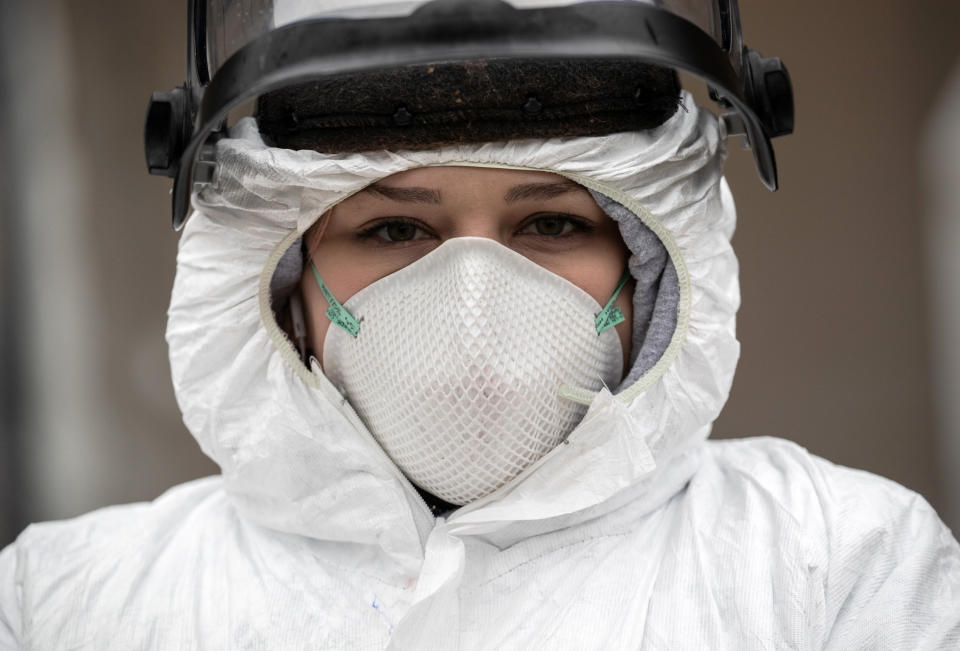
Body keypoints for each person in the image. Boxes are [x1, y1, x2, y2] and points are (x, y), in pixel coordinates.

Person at [3, 0, 960, 648]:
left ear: (652, 271)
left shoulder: (834, 572)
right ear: (284, 282)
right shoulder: (73, 608)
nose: (471, 294)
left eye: (550, 223)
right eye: (392, 228)